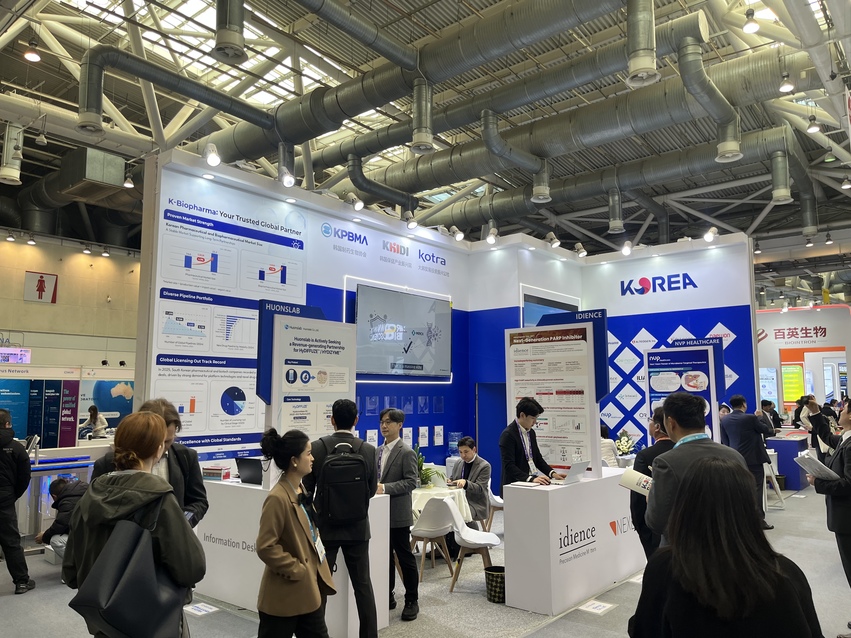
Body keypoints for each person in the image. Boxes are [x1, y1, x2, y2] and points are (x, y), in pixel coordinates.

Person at [629, 457, 823, 637]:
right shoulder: (785, 573)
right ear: (749, 508)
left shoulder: (664, 567)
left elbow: (644, 629)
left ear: (683, 506)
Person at [62, 412, 206, 637]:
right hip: (152, 621)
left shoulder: (89, 498)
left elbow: (71, 571)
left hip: (105, 621)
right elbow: (192, 568)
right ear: (159, 449)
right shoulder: (160, 500)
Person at [303, 399, 378, 638]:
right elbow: (371, 490)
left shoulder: (317, 448)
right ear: (356, 420)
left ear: (332, 420)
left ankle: (316, 635)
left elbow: (307, 490)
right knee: (363, 586)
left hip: (326, 529)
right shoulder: (368, 450)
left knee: (321, 585)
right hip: (358, 528)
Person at [256, 428, 336, 638]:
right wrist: (297, 569)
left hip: (309, 593)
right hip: (283, 598)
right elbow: (265, 546)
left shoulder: (301, 489)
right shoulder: (277, 498)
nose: (313, 458)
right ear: (294, 461)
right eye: (308, 453)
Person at [645, 392, 747, 542]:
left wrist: (651, 499)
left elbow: (657, 521)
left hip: (685, 549)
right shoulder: (735, 456)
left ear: (670, 423)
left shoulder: (666, 462)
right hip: (731, 546)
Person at [92, 398, 208, 527]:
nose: (162, 447)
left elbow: (199, 501)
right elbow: (95, 511)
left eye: (168, 441)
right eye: (158, 441)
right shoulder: (109, 462)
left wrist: (182, 522)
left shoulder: (186, 457)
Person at [807, 397, 851, 638]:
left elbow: (849, 484)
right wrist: (815, 413)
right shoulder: (846, 439)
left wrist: (818, 481)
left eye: (843, 409)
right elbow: (826, 436)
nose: (840, 412)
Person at [375, 408, 419, 621]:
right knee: (384, 556)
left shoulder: (406, 452)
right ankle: (388, 594)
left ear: (399, 425)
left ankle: (411, 600)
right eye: (382, 422)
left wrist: (384, 488)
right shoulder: (377, 451)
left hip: (398, 513)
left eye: (389, 422)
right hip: (379, 513)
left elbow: (411, 482)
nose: (384, 426)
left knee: (404, 557)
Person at [720, 394, 775, 530]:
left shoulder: (725, 420)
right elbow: (765, 430)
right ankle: (758, 520)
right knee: (756, 489)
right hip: (753, 460)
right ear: (744, 404)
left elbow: (725, 440)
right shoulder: (750, 418)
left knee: (738, 489)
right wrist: (760, 417)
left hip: (734, 459)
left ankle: (739, 520)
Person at [630, 408, 674, 559]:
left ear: (657, 427)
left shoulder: (644, 456)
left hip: (654, 527)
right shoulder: (684, 451)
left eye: (650, 420)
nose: (648, 423)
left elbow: (637, 498)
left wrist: (639, 526)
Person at [499, 397, 566, 494]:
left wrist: (553, 474)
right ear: (522, 415)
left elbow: (537, 459)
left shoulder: (531, 433)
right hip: (514, 487)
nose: (535, 422)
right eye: (533, 418)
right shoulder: (508, 435)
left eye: (536, 418)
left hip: (530, 485)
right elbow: (509, 466)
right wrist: (530, 479)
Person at [0, 409, 34, 594]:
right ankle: (21, 582)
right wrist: (12, 495)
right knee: (12, 543)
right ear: (7, 424)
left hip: (5, 498)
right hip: (5, 501)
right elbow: (24, 477)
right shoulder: (17, 448)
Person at [444, 436, 491, 559]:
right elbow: (454, 479)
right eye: (460, 452)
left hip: (475, 503)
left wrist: (466, 483)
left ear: (474, 450)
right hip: (459, 500)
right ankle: (445, 546)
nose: (463, 455)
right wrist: (450, 481)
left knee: (456, 512)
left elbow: (480, 488)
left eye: (466, 452)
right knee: (444, 510)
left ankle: (460, 546)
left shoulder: (484, 466)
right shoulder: (459, 463)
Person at [35, 477, 88, 559]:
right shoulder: (84, 489)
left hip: (90, 537)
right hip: (99, 533)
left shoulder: (67, 502)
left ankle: (78, 564)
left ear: (54, 496)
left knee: (55, 540)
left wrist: (44, 536)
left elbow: (60, 525)